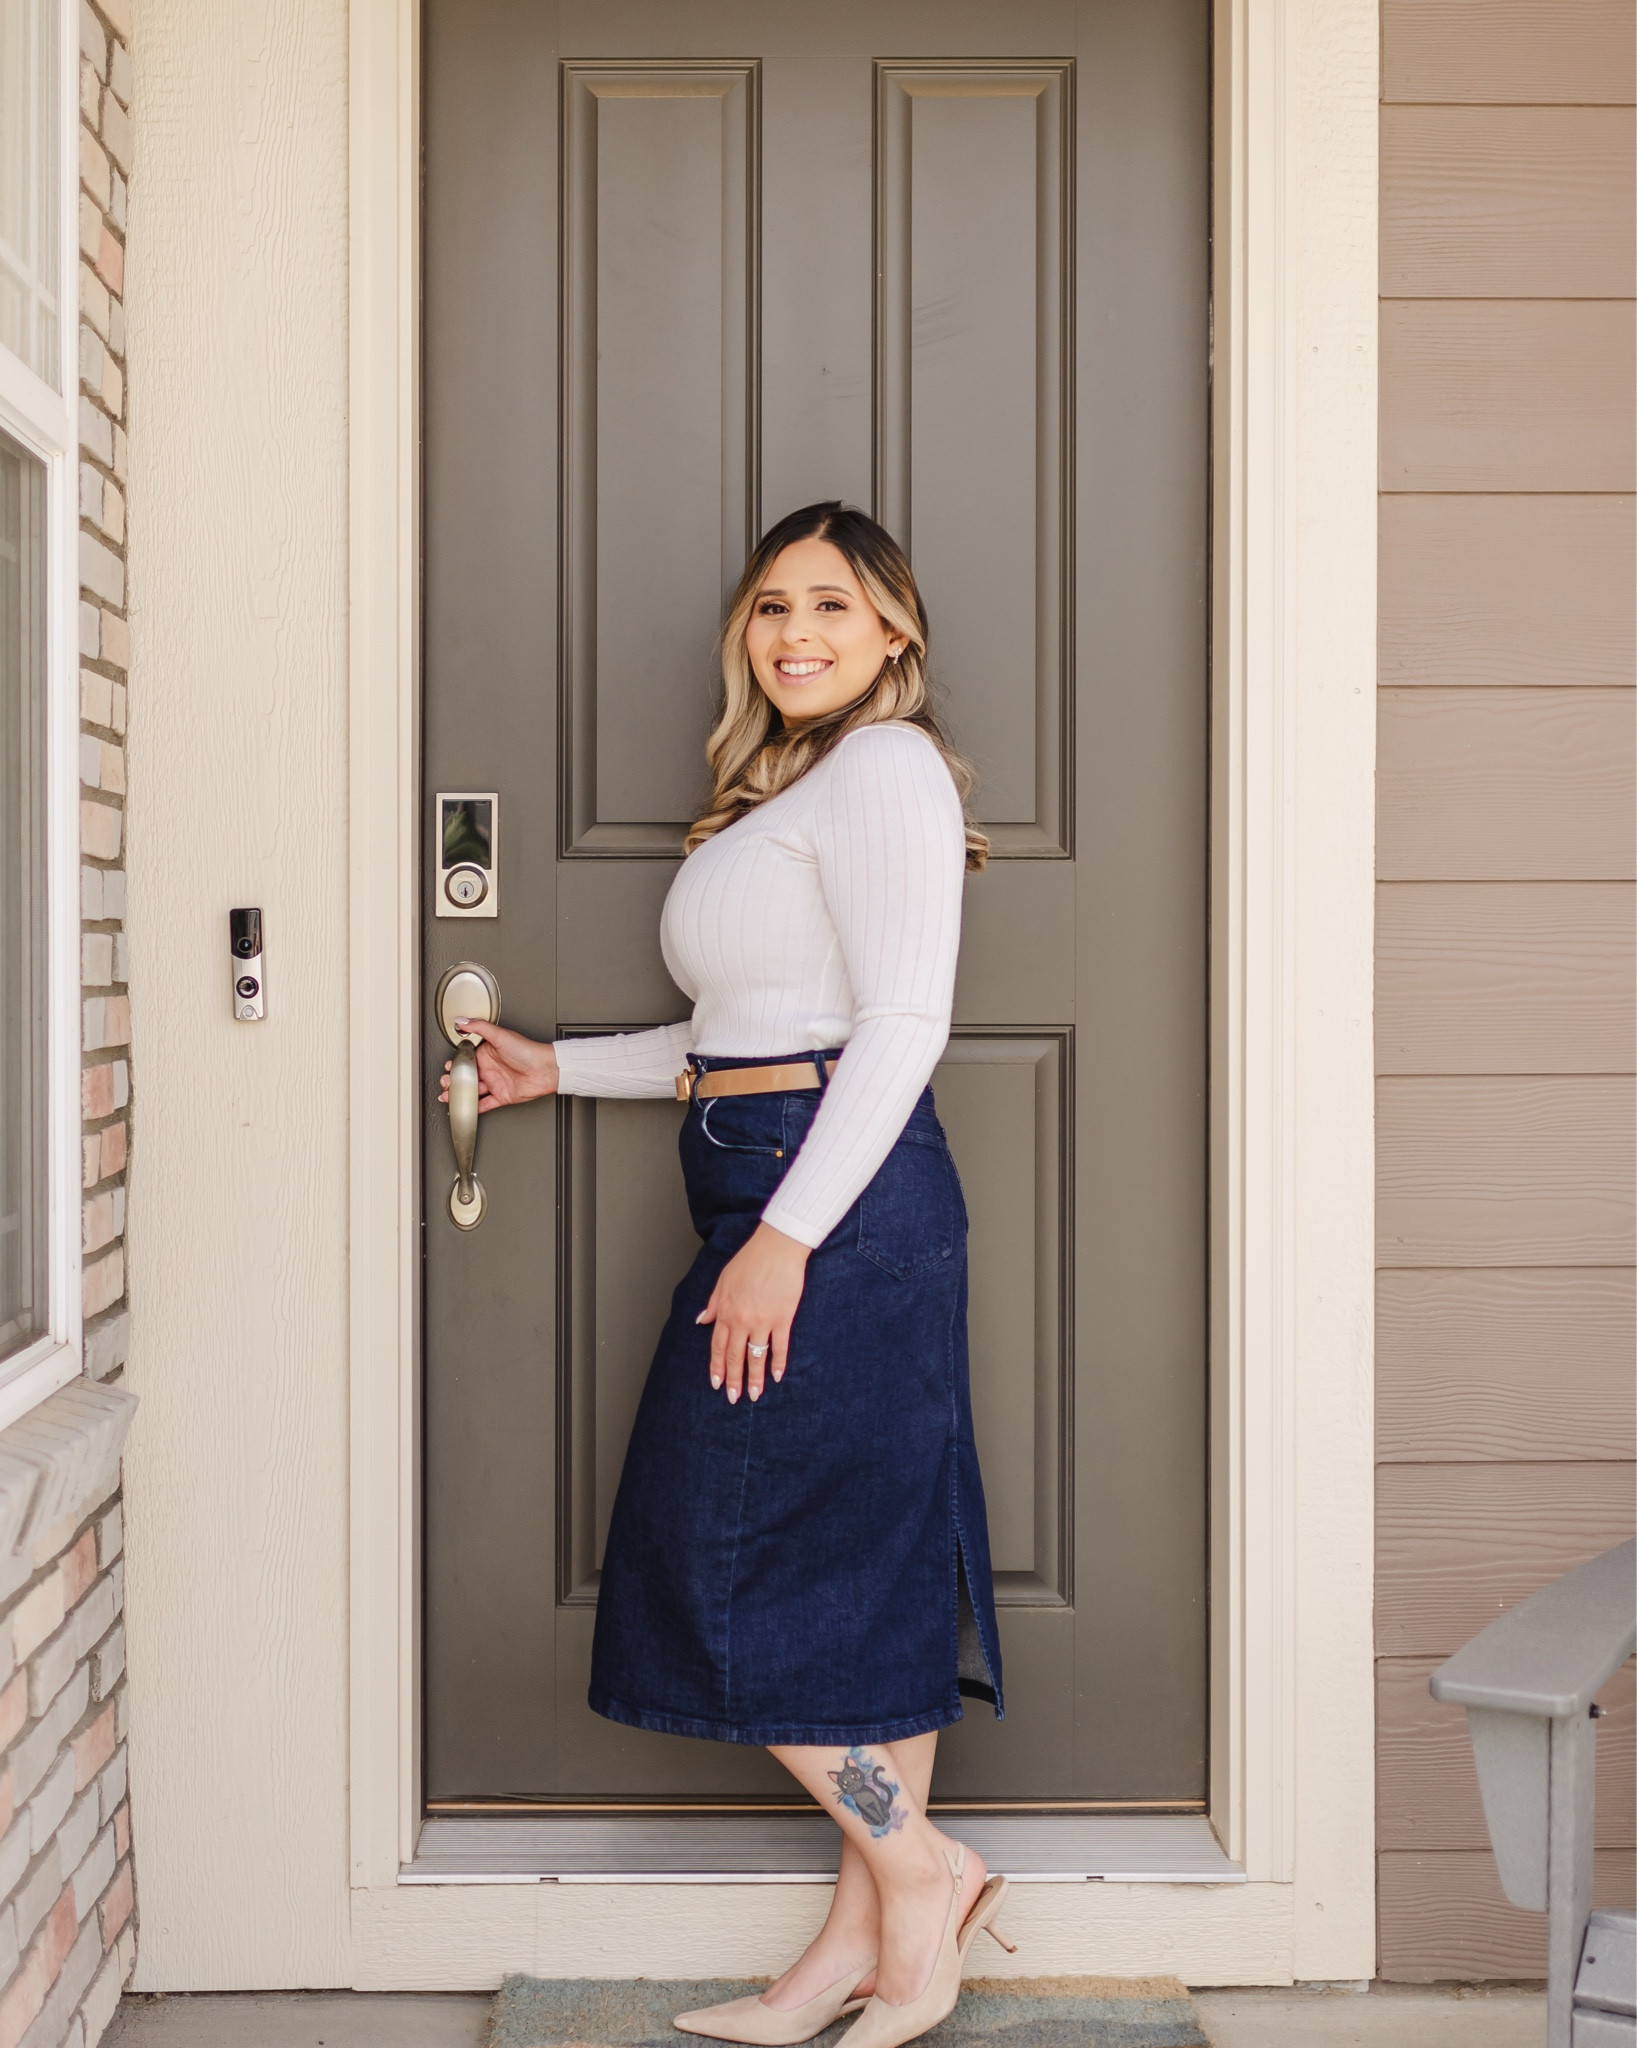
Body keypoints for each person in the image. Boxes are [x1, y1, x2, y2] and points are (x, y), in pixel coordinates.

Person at [441, 502, 1012, 2048]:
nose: (795, 633)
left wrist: (785, 1238)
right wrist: (557, 1068)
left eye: (832, 604)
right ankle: (867, 1950)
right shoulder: (790, 789)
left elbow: (895, 1028)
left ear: (893, 629)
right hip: (779, 1178)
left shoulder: (886, 766)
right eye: (771, 606)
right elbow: (733, 1041)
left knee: (718, 1558)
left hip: (832, 1206)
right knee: (855, 1573)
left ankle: (920, 1864)